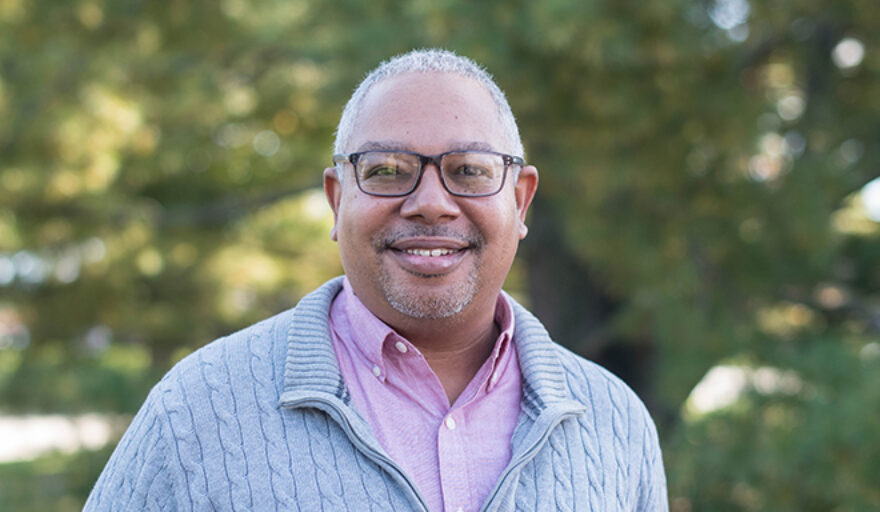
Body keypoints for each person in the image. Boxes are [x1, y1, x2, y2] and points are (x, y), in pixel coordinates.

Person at [85, 48, 668, 511]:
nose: (432, 203)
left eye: (469, 170)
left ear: (520, 202)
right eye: (387, 171)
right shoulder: (197, 412)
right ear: (336, 201)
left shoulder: (614, 421)